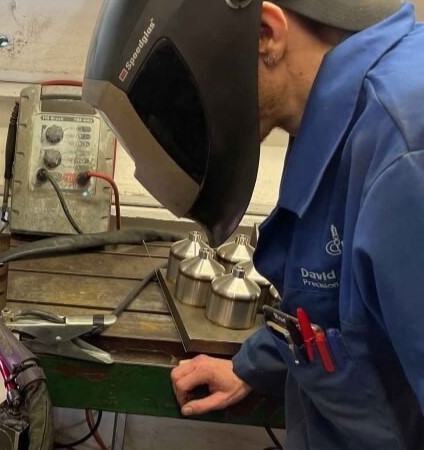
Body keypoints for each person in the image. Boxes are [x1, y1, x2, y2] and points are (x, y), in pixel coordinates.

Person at [169, 1, 424, 448]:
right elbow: (335, 306)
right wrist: (254, 365)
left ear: (266, 34)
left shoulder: (405, 154)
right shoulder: (335, 115)